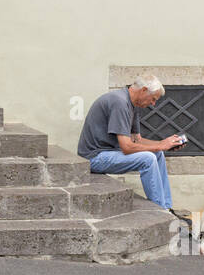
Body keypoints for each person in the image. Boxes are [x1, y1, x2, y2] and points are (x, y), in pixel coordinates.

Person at [76, 76, 182, 210]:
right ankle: (160, 210)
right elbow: (126, 147)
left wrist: (163, 144)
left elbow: (136, 140)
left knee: (157, 153)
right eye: (153, 99)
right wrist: (160, 145)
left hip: (111, 152)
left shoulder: (133, 105)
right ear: (144, 90)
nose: (153, 104)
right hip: (94, 157)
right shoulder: (120, 102)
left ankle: (167, 207)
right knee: (148, 158)